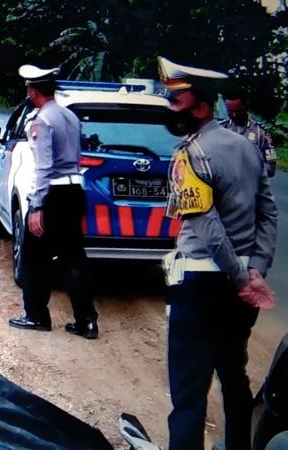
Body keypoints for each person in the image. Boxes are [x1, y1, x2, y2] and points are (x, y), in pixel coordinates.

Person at [158, 56, 279, 450]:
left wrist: (243, 279)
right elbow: (268, 213)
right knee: (234, 376)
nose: (171, 108)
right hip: (240, 287)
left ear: (203, 106)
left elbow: (208, 228)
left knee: (189, 388)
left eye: (178, 101)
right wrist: (255, 269)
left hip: (202, 284)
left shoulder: (190, 154)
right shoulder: (248, 148)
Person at [8, 65, 98, 339]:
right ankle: (86, 321)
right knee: (74, 259)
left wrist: (36, 206)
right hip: (74, 192)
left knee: (34, 258)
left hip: (53, 197)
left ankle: (36, 316)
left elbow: (44, 167)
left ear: (33, 91)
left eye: (28, 88)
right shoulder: (70, 116)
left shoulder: (41, 121)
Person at [220, 90, 277, 177]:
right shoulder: (220, 129)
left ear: (245, 106)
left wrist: (249, 169)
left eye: (238, 111)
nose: (234, 115)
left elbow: (271, 166)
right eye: (230, 111)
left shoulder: (262, 133)